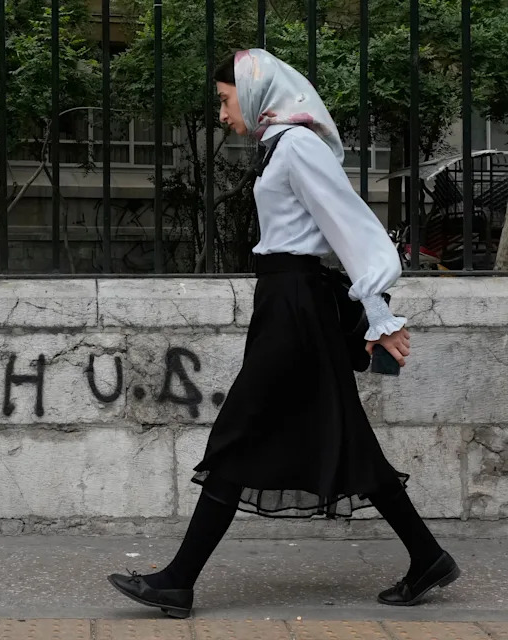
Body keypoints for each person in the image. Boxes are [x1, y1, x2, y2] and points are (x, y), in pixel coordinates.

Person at [108, 49, 460, 620]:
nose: (222, 114)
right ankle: (428, 556)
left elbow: (349, 226)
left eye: (225, 100)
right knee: (343, 435)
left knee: (240, 428)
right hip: (284, 301)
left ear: (252, 92)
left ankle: (177, 581)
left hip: (295, 304)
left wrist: (379, 315)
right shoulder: (279, 145)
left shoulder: (297, 146)